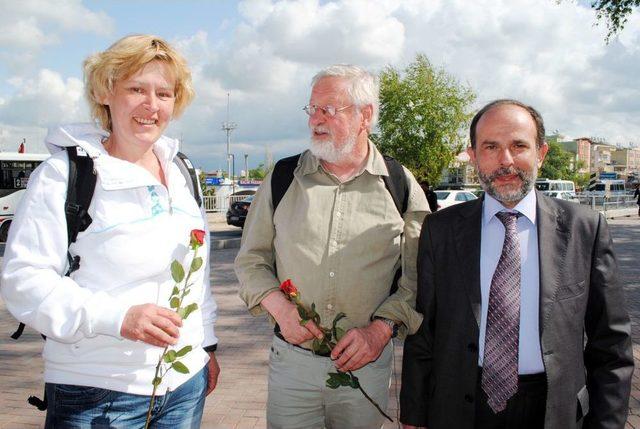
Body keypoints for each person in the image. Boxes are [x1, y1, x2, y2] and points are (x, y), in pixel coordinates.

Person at [0, 35, 220, 428]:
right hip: (96, 393)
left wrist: (205, 347)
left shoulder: (182, 171)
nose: (152, 105)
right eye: (136, 89)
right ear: (106, 92)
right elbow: (23, 281)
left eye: (164, 93)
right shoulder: (63, 175)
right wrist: (117, 317)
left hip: (184, 387)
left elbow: (195, 274)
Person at [400, 99, 633, 429]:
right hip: (460, 408)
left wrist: (607, 423)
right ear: (473, 154)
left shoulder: (585, 228)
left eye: (518, 145)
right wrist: (414, 414)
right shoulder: (441, 230)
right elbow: (423, 331)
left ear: (541, 153)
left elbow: (611, 343)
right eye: (491, 146)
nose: (505, 160)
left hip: (554, 411)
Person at [235, 64, 429, 429]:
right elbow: (251, 260)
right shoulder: (281, 178)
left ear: (365, 115)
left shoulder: (400, 184)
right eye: (312, 109)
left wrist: (380, 330)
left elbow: (419, 278)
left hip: (366, 367)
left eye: (329, 109)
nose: (316, 120)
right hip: (291, 365)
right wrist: (278, 307)